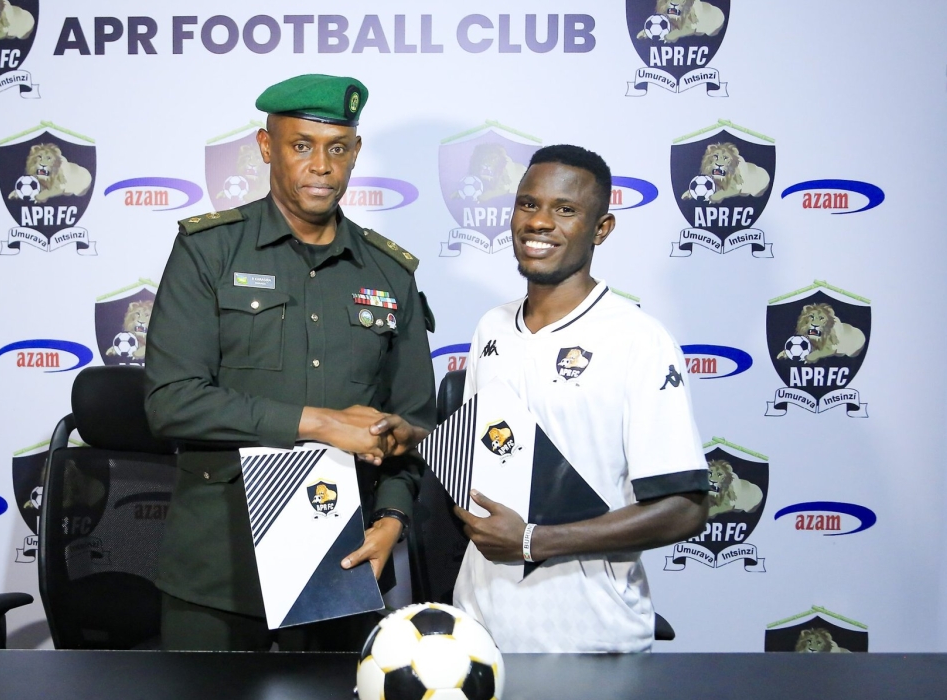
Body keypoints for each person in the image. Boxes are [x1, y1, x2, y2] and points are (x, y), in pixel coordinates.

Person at [144, 74, 436, 651]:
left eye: (337, 148)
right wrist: (320, 421)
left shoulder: (389, 274)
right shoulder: (209, 251)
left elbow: (415, 424)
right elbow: (170, 401)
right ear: (265, 147)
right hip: (219, 568)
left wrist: (392, 521)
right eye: (301, 145)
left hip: (344, 562)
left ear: (355, 152)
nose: (321, 166)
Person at [451, 145, 710, 653]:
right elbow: (485, 458)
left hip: (592, 638)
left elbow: (685, 508)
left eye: (565, 210)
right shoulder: (491, 327)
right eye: (528, 204)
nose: (540, 222)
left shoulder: (638, 339)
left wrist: (534, 541)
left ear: (602, 228)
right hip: (479, 634)